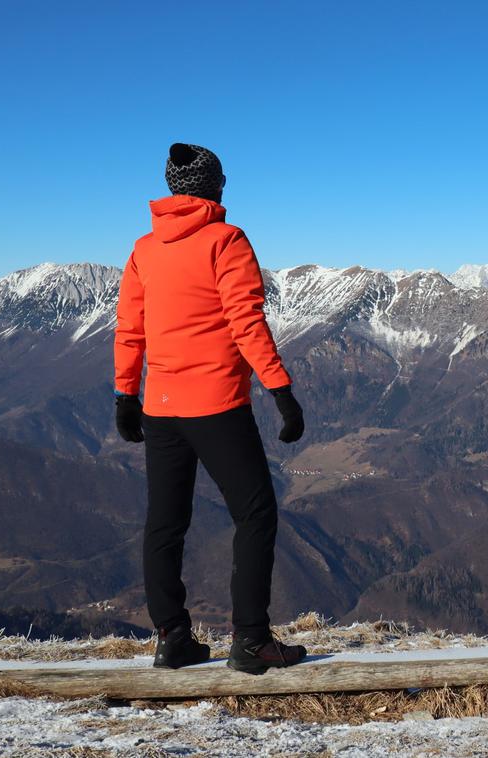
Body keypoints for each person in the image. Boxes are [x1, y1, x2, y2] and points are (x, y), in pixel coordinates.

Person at [112, 143, 307, 674]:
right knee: (256, 513)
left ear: (173, 187)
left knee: (165, 523)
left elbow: (130, 329)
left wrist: (126, 395)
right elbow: (247, 323)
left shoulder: (143, 250)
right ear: (215, 186)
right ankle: (251, 641)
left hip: (161, 407)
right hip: (217, 404)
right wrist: (281, 391)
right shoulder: (226, 240)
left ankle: (172, 638)